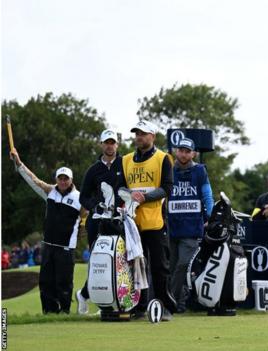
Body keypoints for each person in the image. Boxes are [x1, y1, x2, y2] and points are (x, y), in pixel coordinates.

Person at [10, 149, 83, 314]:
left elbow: (86, 220)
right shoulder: (50, 192)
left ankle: (64, 311)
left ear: (71, 180)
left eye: (66, 179)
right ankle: (48, 312)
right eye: (60, 178)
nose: (63, 181)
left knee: (63, 282)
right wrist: (19, 163)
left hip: (66, 248)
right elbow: (33, 179)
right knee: (46, 282)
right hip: (48, 246)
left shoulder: (80, 198)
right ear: (57, 179)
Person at [121, 120, 177, 320]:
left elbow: (167, 188)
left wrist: (144, 197)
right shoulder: (126, 159)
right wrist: (129, 194)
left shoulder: (163, 158)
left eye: (143, 133)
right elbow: (121, 188)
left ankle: (165, 307)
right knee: (137, 266)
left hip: (156, 221)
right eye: (137, 133)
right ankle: (139, 306)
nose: (139, 137)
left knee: (160, 267)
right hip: (133, 223)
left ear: (152, 136)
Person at [75, 129, 124, 315]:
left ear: (116, 145)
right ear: (101, 144)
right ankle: (102, 303)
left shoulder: (125, 164)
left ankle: (89, 295)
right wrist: (95, 207)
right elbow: (83, 197)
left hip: (119, 220)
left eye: (112, 142)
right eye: (106, 142)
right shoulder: (93, 170)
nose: (109, 145)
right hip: (97, 222)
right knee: (100, 262)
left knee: (118, 261)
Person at [167, 137, 214, 313]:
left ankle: (168, 301)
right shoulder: (169, 170)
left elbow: (207, 196)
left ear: (193, 153)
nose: (184, 154)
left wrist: (210, 216)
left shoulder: (200, 171)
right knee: (171, 267)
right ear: (176, 151)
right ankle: (178, 304)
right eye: (181, 150)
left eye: (188, 151)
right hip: (172, 227)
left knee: (183, 265)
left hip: (192, 228)